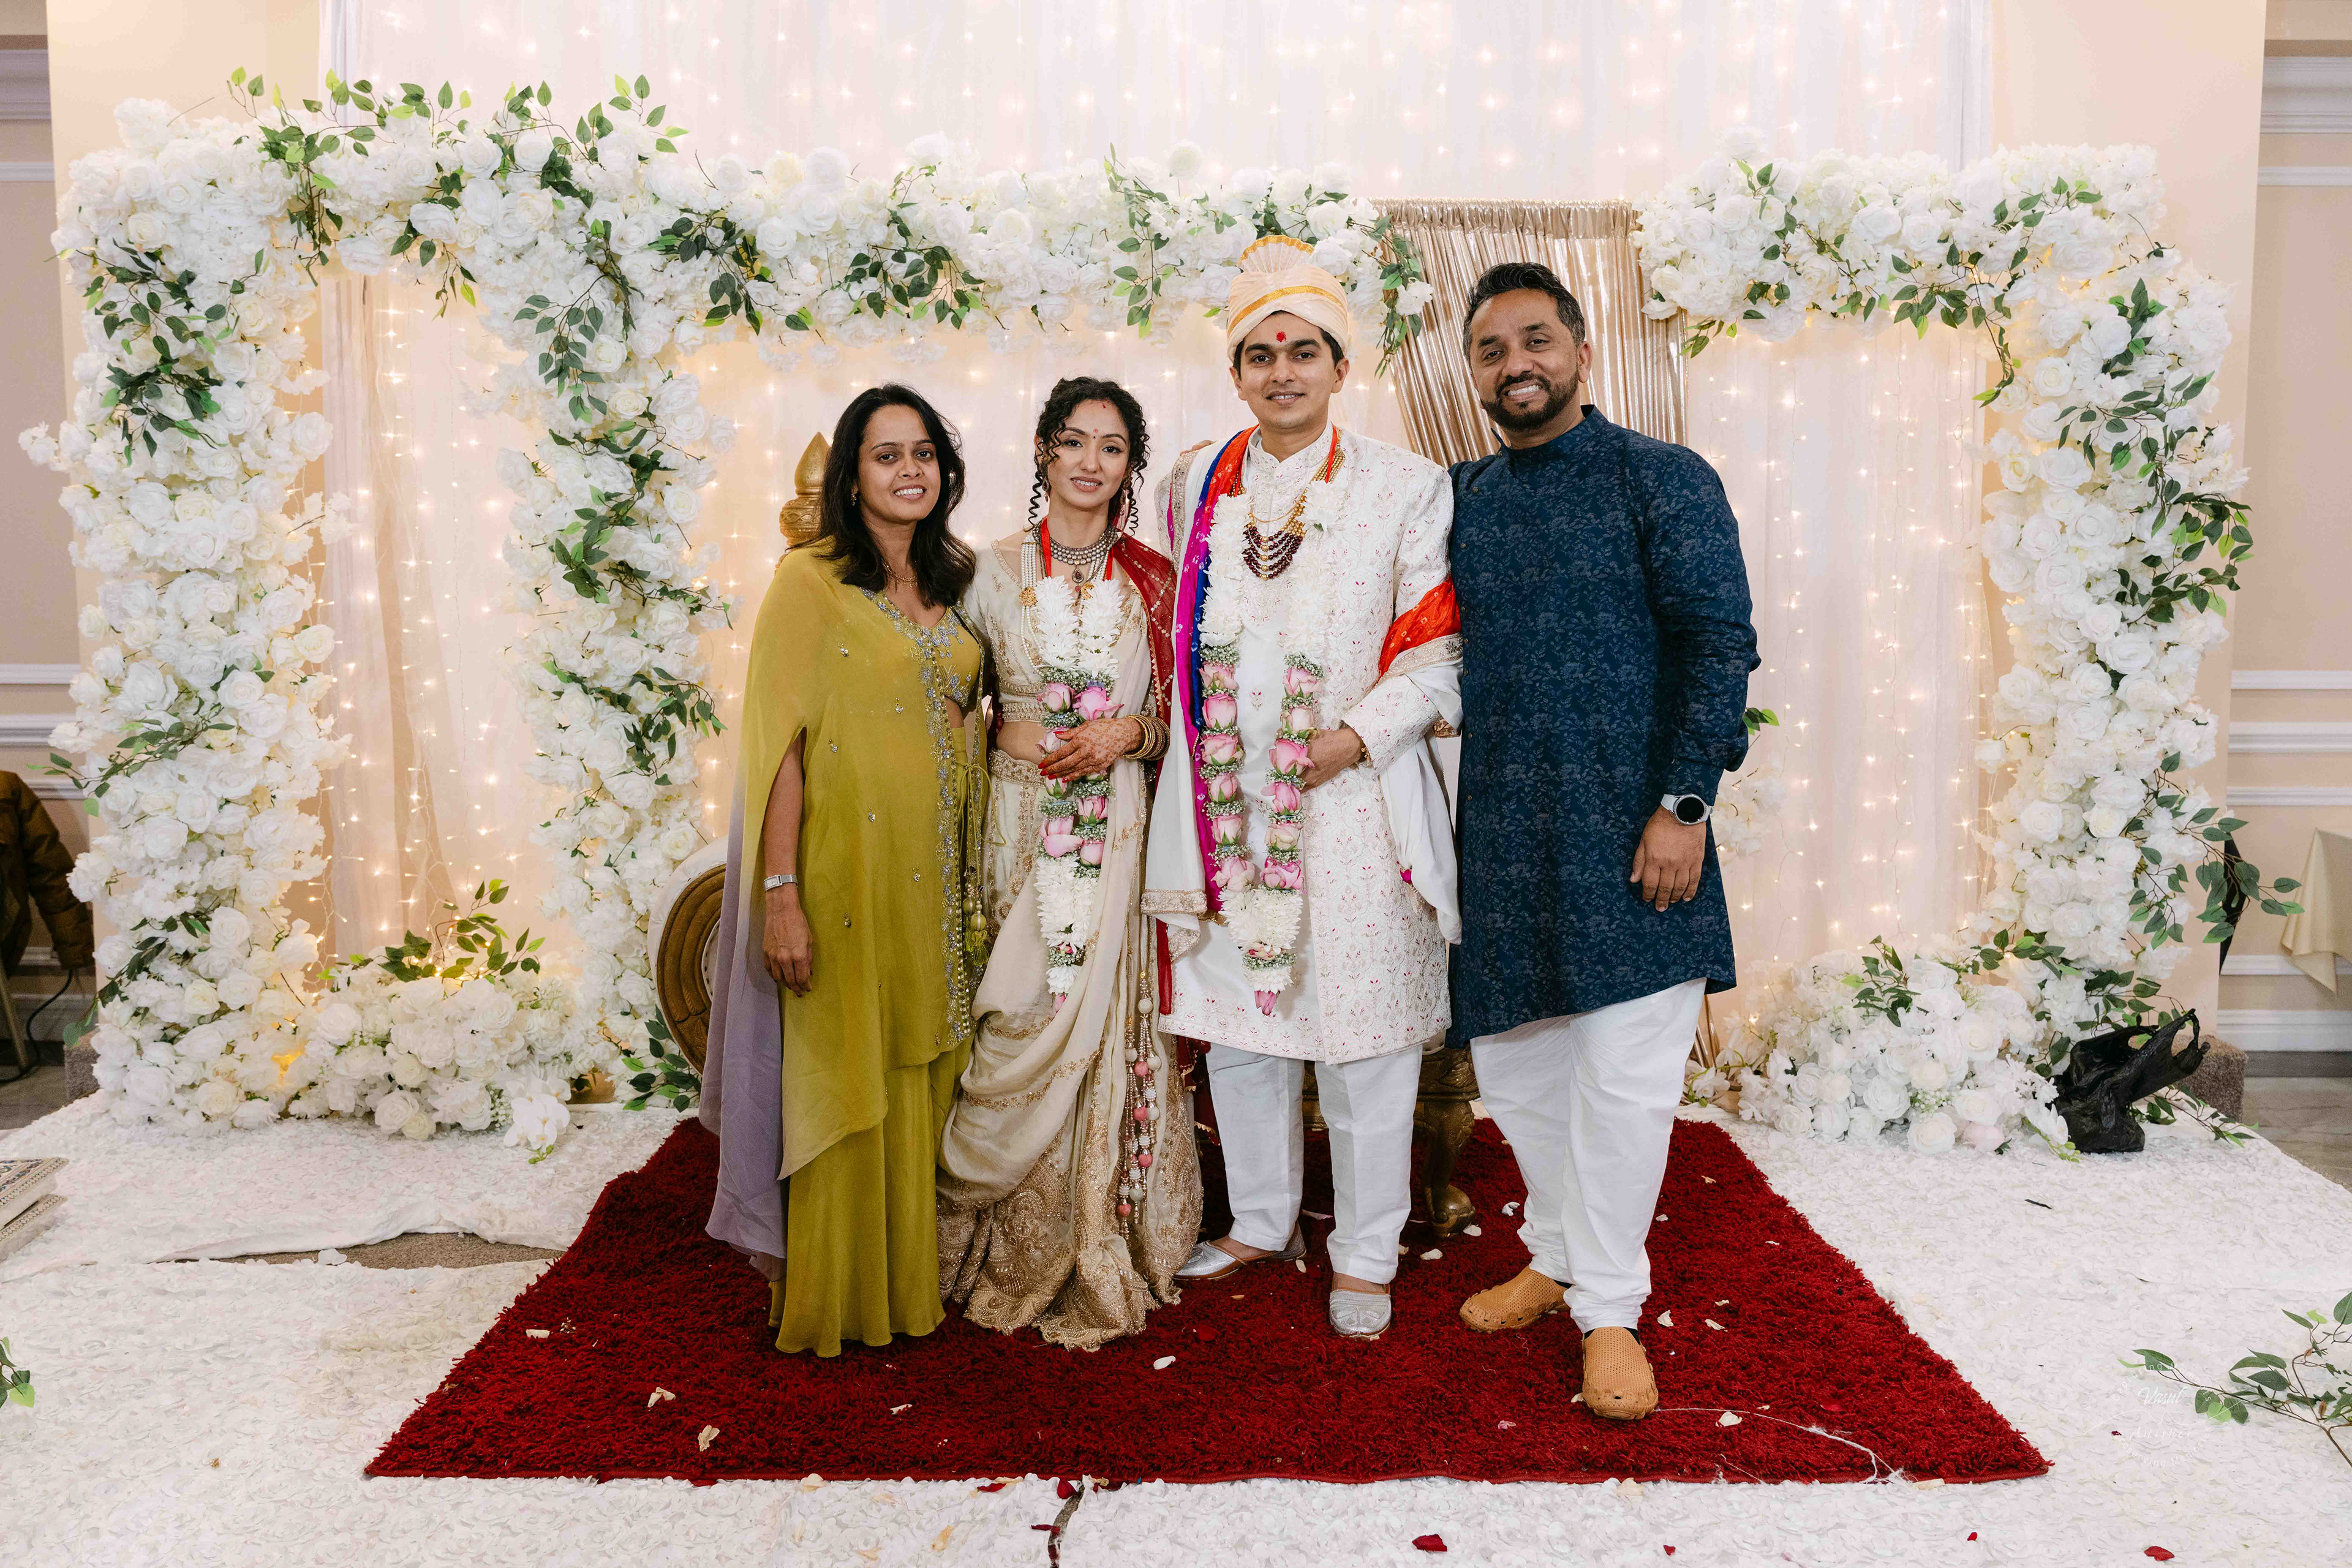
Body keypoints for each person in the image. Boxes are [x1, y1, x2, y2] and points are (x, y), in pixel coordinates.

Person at [1446, 262, 1759, 1419]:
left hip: (1638, 833)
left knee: (1625, 1082)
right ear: (1472, 374)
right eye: (1491, 349)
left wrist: (1686, 805)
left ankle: (1611, 1308)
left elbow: (1720, 643)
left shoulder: (1660, 477)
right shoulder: (1461, 497)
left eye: (1536, 340)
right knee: (1521, 1075)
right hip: (1504, 833)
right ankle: (1556, 1254)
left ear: (1581, 352)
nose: (1516, 364)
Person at [1145, 235, 1461, 1341]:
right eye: (1261, 354)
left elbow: (1438, 654)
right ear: (1237, 373)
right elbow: (1159, 631)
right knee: (1244, 1024)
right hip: (1226, 801)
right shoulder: (1190, 486)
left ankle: (1366, 1252)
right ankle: (1260, 1222)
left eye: (1303, 352)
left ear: (1340, 367)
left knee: (1366, 1035)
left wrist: (1352, 740)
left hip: (1358, 803)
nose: (1282, 372)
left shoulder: (1407, 487)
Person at [699, 384, 990, 1357]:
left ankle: (912, 1284)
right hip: (845, 875)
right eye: (886, 454)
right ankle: (840, 1296)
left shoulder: (955, 578)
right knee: (849, 1067)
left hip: (936, 879)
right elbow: (777, 747)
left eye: (924, 453)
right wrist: (780, 896)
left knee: (921, 1061)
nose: (910, 470)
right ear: (852, 477)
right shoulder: (811, 579)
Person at [937, 377, 1202, 1348]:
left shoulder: (1156, 580)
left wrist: (1130, 730)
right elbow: (948, 709)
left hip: (1120, 823)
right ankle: (992, 1233)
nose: (1092, 462)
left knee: (1101, 1016)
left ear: (1131, 466)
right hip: (1016, 821)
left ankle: (1100, 1225)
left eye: (1113, 447)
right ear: (1045, 450)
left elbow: (1188, 717)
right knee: (1018, 1007)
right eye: (1075, 441)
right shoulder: (983, 572)